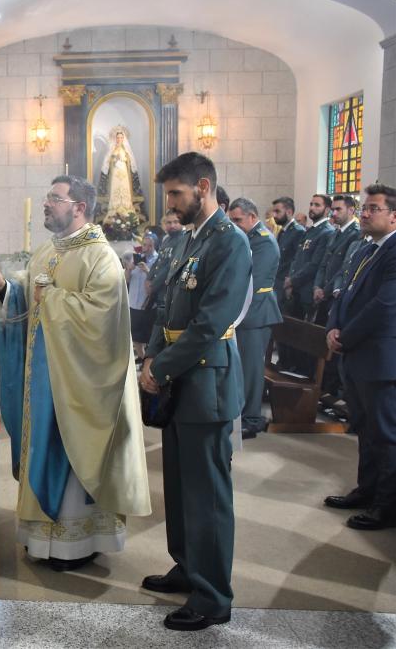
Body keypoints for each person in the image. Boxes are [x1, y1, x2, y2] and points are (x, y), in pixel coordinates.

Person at [0, 175, 151, 573]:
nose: (46, 203)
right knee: (43, 448)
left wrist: (52, 299)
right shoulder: (46, 251)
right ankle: (42, 539)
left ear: (79, 207)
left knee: (74, 452)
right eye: (47, 197)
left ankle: (77, 545)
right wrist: (6, 288)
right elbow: (27, 300)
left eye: (55, 198)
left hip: (79, 384)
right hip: (41, 383)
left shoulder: (100, 256)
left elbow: (102, 318)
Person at [139, 152, 250, 632]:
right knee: (181, 488)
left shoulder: (230, 243)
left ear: (203, 187)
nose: (170, 203)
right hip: (179, 378)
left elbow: (209, 324)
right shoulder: (189, 238)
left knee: (207, 495)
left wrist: (161, 369)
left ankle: (213, 596)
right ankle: (188, 566)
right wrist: (151, 356)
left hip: (207, 382)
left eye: (176, 194)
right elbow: (167, 305)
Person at [324, 183, 396, 531]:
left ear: (394, 216)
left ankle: (387, 506)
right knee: (365, 430)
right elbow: (345, 293)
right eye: (364, 208)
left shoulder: (394, 251)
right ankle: (366, 490)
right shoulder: (366, 248)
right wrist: (332, 327)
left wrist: (345, 336)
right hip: (355, 353)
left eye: (373, 209)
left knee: (385, 434)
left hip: (380, 358)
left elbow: (384, 306)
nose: (364, 214)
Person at [228, 197, 282, 439]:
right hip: (245, 311)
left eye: (238, 220)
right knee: (242, 365)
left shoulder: (264, 242)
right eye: (231, 220)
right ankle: (241, 413)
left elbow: (252, 280)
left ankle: (251, 418)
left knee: (251, 367)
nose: (234, 224)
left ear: (252, 217)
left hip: (256, 312)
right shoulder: (246, 238)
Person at [313, 195, 361, 326]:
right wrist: (317, 286)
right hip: (323, 294)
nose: (333, 213)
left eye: (338, 209)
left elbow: (344, 268)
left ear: (351, 210)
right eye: (333, 209)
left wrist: (325, 291)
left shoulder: (355, 234)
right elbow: (324, 263)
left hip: (335, 294)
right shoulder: (335, 233)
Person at [286, 194, 333, 322]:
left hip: (307, 292)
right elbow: (297, 257)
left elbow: (314, 264)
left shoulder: (327, 232)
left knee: (302, 332)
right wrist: (290, 278)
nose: (312, 207)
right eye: (311, 204)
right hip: (296, 289)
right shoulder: (311, 230)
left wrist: (292, 281)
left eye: (317, 205)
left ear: (327, 210)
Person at [97, 126, 144, 220]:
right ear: (115, 138)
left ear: (123, 139)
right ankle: (114, 210)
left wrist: (125, 159)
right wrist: (114, 158)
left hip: (124, 173)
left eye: (121, 138)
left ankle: (127, 209)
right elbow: (107, 163)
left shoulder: (126, 150)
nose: (119, 139)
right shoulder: (112, 150)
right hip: (115, 173)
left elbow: (131, 163)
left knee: (125, 188)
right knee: (115, 188)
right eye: (118, 137)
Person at [272, 197, 304, 314]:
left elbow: (297, 260)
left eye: (277, 211)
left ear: (289, 212)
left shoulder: (298, 231)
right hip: (277, 281)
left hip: (286, 283)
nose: (274, 215)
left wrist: (290, 282)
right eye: (274, 211)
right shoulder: (283, 231)